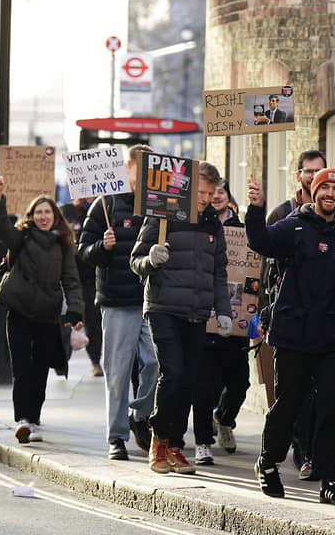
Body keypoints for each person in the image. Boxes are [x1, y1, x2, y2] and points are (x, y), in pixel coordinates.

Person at [247, 167, 335, 506]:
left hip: (329, 341)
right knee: (288, 406)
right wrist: (255, 209)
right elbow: (260, 242)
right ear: (313, 192)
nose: (330, 194)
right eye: (324, 188)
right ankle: (268, 463)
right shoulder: (294, 226)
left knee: (333, 411)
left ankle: (331, 480)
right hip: (293, 335)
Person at [130, 162, 233, 475]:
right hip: (163, 307)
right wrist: (152, 259)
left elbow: (219, 271)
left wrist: (225, 311)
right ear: (187, 187)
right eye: (200, 192)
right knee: (172, 374)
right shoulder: (162, 214)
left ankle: (174, 445)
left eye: (211, 193)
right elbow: (135, 260)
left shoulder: (212, 222)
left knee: (189, 381)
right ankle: (158, 437)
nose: (205, 198)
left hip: (196, 311)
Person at [0, 176, 84, 444]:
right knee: (21, 368)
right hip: (19, 312)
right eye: (38, 212)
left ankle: (34, 417)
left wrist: (75, 311)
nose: (43, 217)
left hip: (47, 315)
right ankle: (23, 420)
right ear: (32, 216)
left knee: (40, 369)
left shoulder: (63, 243)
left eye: (47, 212)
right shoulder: (21, 237)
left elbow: (71, 280)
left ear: (55, 216)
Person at [79, 144, 159, 461]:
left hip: (152, 300)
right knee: (118, 373)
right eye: (142, 168)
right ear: (127, 169)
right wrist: (103, 246)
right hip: (117, 301)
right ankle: (116, 437)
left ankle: (139, 415)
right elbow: (83, 251)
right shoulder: (105, 204)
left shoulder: (159, 205)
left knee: (155, 364)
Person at [261, 149, 326, 477]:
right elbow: (263, 266)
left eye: (320, 171)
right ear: (298, 175)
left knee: (318, 392)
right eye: (308, 172)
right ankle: (294, 449)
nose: (314, 177)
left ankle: (310, 451)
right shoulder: (280, 215)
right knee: (292, 391)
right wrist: (262, 311)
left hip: (321, 319)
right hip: (287, 314)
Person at [195, 180, 250, 463]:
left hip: (235, 321)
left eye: (221, 192)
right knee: (204, 385)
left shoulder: (242, 231)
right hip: (204, 319)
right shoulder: (197, 226)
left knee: (240, 382)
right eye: (210, 192)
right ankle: (202, 441)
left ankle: (225, 419)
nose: (216, 196)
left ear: (228, 198)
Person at [60, 196, 103, 377]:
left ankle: (95, 361)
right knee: (64, 322)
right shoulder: (67, 211)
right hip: (67, 278)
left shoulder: (103, 210)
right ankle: (61, 361)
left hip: (90, 278)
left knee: (93, 323)